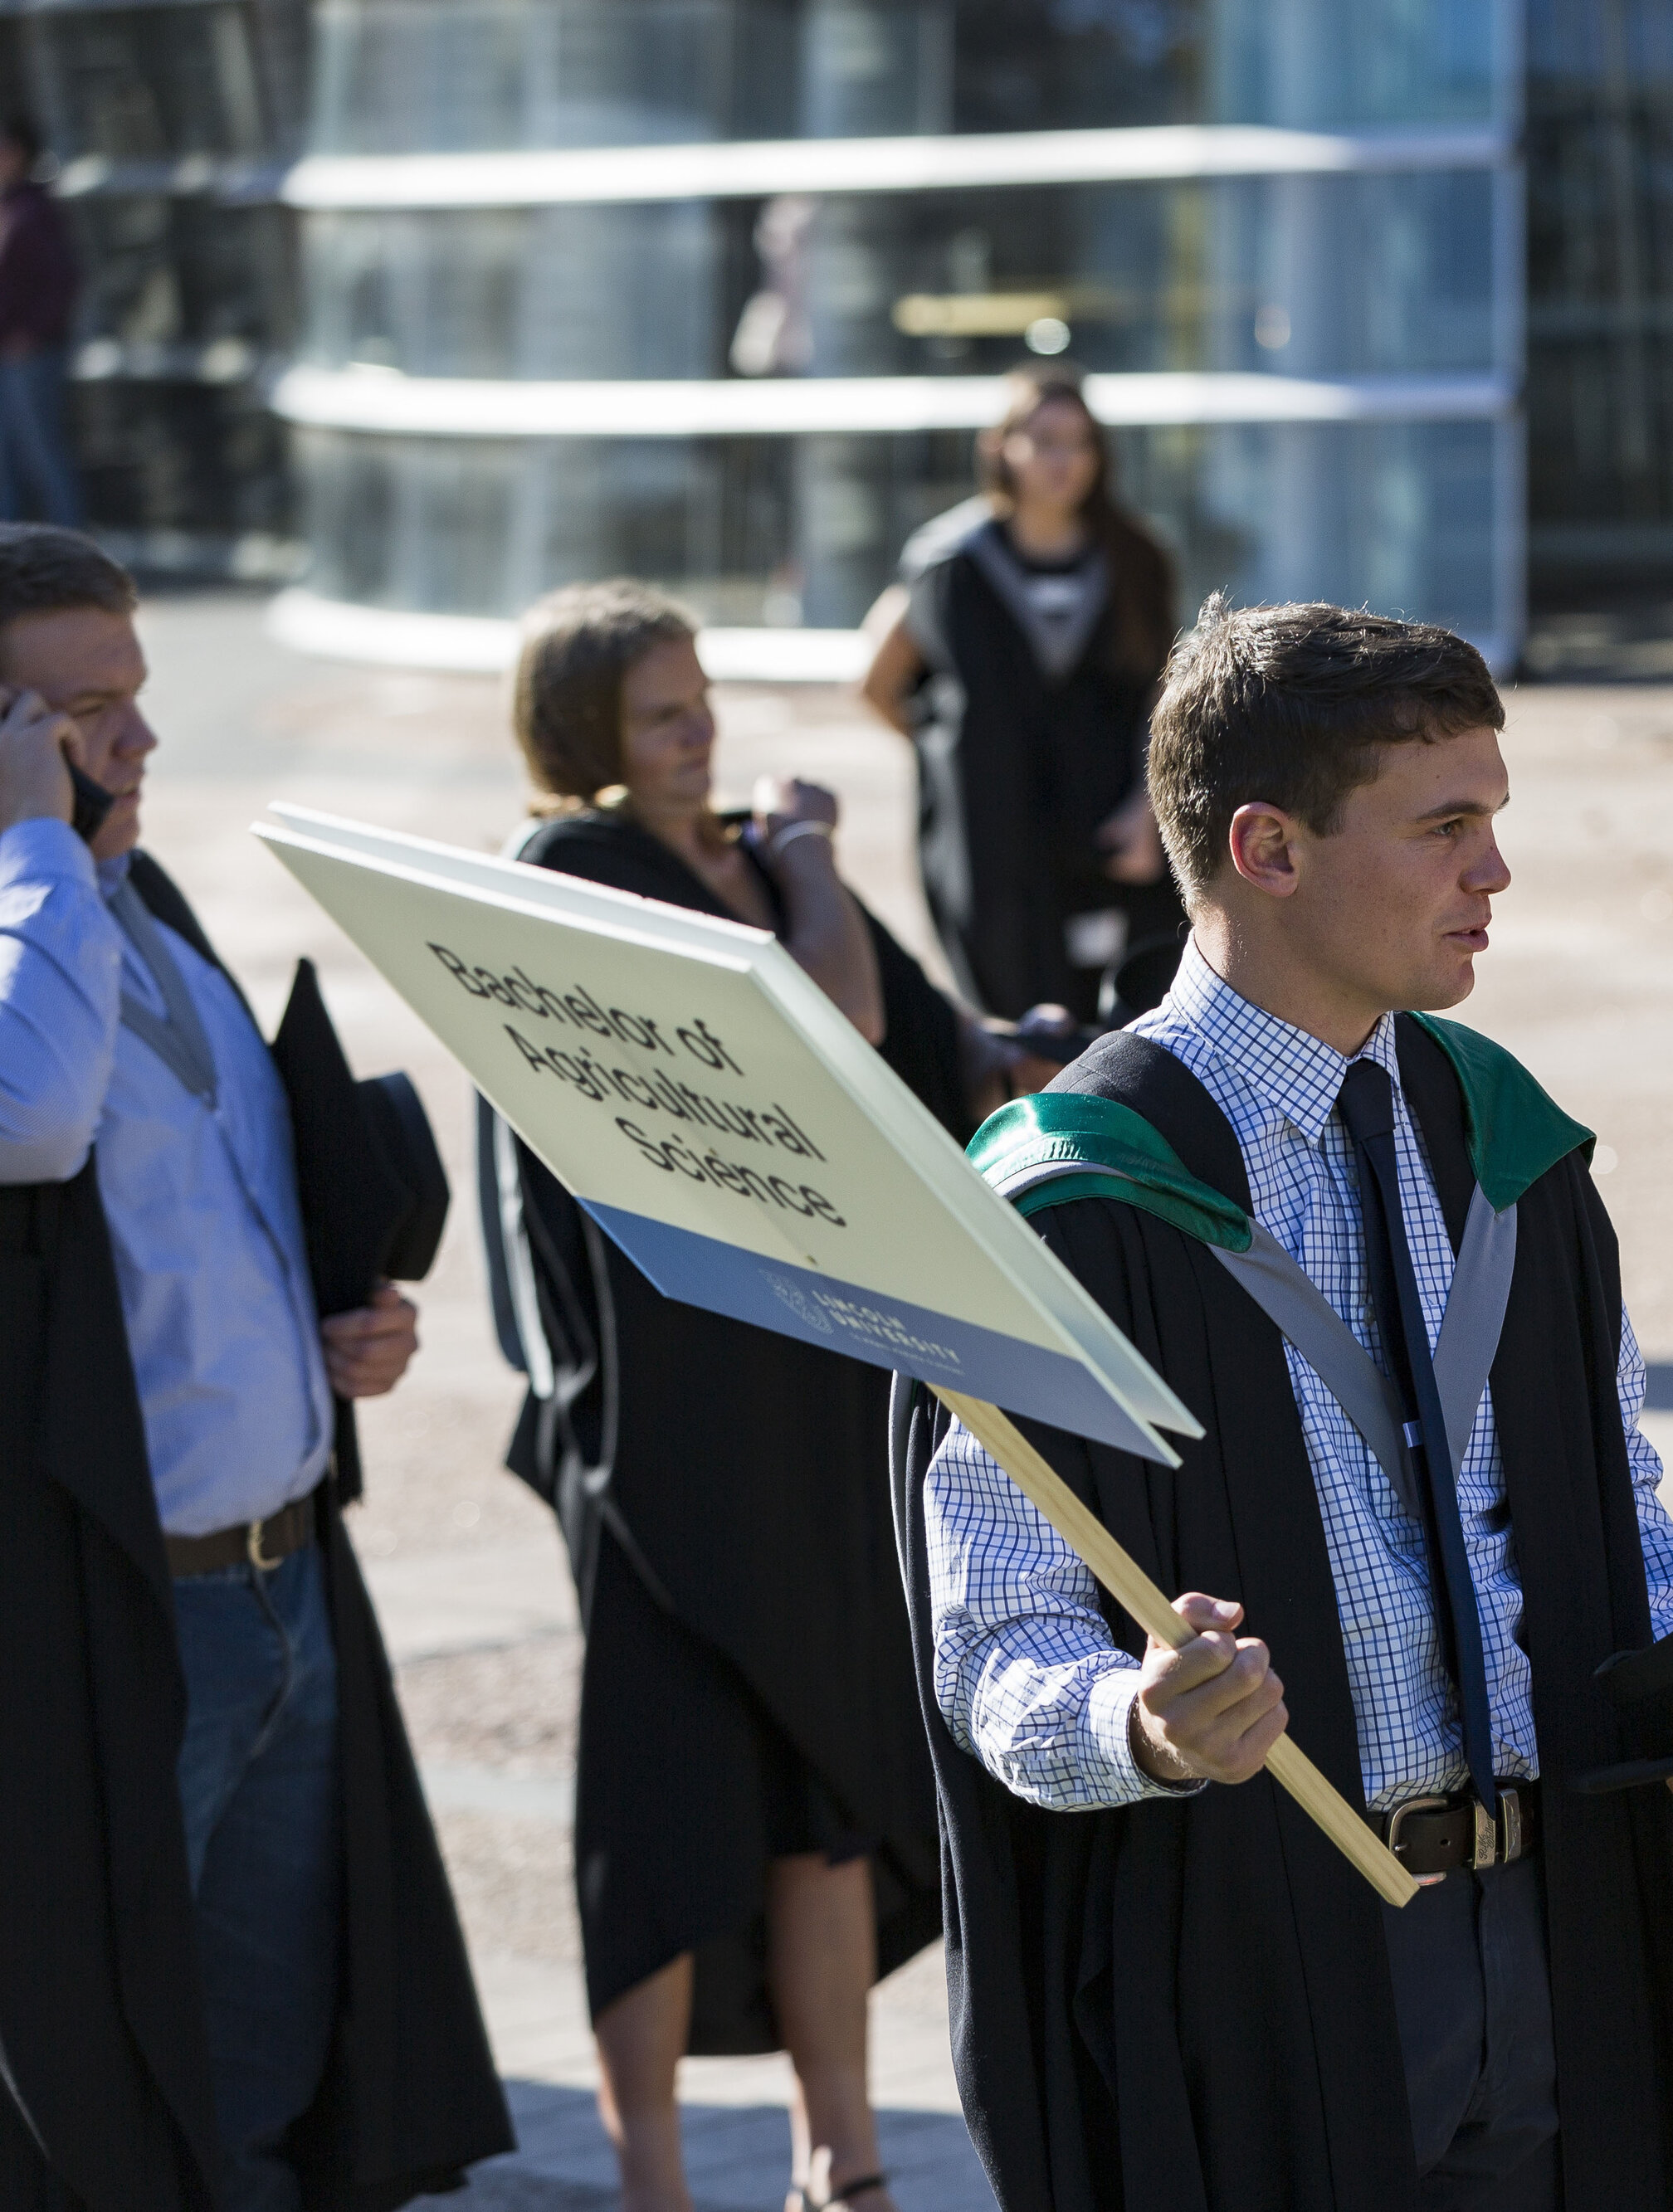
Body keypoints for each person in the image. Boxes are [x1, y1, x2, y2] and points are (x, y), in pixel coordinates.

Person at [892, 597, 1673, 2210]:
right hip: (1261, 1969)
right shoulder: (1067, 1210)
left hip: (1554, 1936)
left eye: (1494, 823)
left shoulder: (1505, 1149)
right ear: (1268, 847)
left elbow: (1609, 1489)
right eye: (1445, 826)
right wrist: (1140, 1725)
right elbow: (998, 1640)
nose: (1495, 873)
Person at [481, 582, 1062, 2212]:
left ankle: (845, 2161)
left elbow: (923, 1052)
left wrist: (1029, 1053)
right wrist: (808, 855)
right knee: (663, 1818)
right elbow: (824, 1027)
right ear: (585, 733)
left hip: (806, 1402)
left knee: (825, 1796)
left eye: (700, 701)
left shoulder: (732, 857)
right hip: (666, 1431)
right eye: (663, 712)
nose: (700, 735)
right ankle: (654, 2180)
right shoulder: (577, 868)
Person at [0, 524, 510, 2210]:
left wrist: (336, 1321)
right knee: (105, 2097)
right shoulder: (37, 930)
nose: (141, 743)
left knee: (278, 2079)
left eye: (138, 698)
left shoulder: (134, 898)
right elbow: (35, 1118)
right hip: (111, 1630)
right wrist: (32, 844)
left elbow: (203, 1213)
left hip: (289, 1590)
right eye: (85, 714)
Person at [857, 363, 1182, 1022]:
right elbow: (876, 684)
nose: (1064, 460)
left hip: (1110, 833)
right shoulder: (950, 564)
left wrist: (1147, 807)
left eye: (1080, 442)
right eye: (1043, 440)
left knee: (1128, 1018)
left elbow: (1167, 694)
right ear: (999, 447)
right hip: (994, 848)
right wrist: (948, 765)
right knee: (1016, 1026)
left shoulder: (1136, 559)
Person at [0, 118, 80, 526]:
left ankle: (72, 551)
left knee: (42, 455)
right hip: (9, 355)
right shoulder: (10, 207)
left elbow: (61, 281)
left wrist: (32, 333)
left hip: (29, 356)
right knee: (8, 461)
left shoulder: (32, 211)